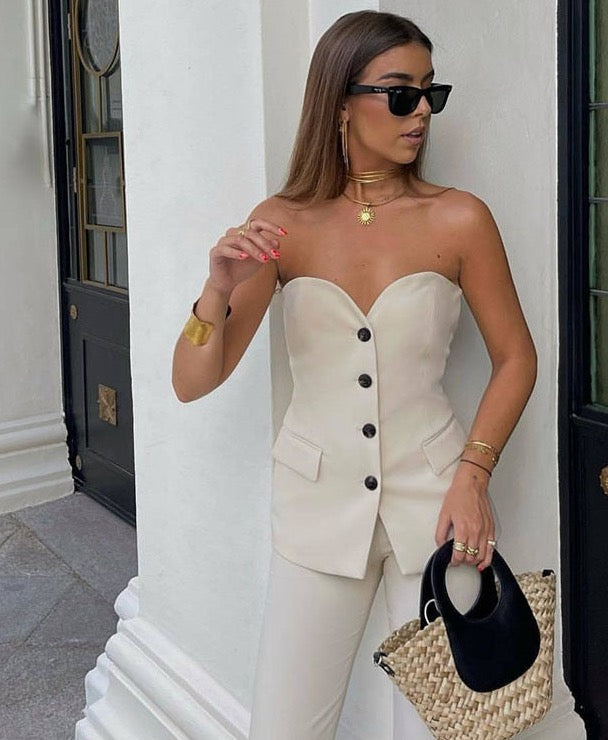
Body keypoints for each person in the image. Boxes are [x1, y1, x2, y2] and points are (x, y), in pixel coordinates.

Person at [171, 9, 537, 739]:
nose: (421, 111)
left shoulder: (460, 219)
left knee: (446, 727)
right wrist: (215, 291)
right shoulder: (282, 223)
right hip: (315, 508)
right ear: (341, 102)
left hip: (437, 508)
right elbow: (191, 381)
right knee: (284, 728)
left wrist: (473, 477)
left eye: (431, 93)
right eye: (401, 94)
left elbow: (516, 358)